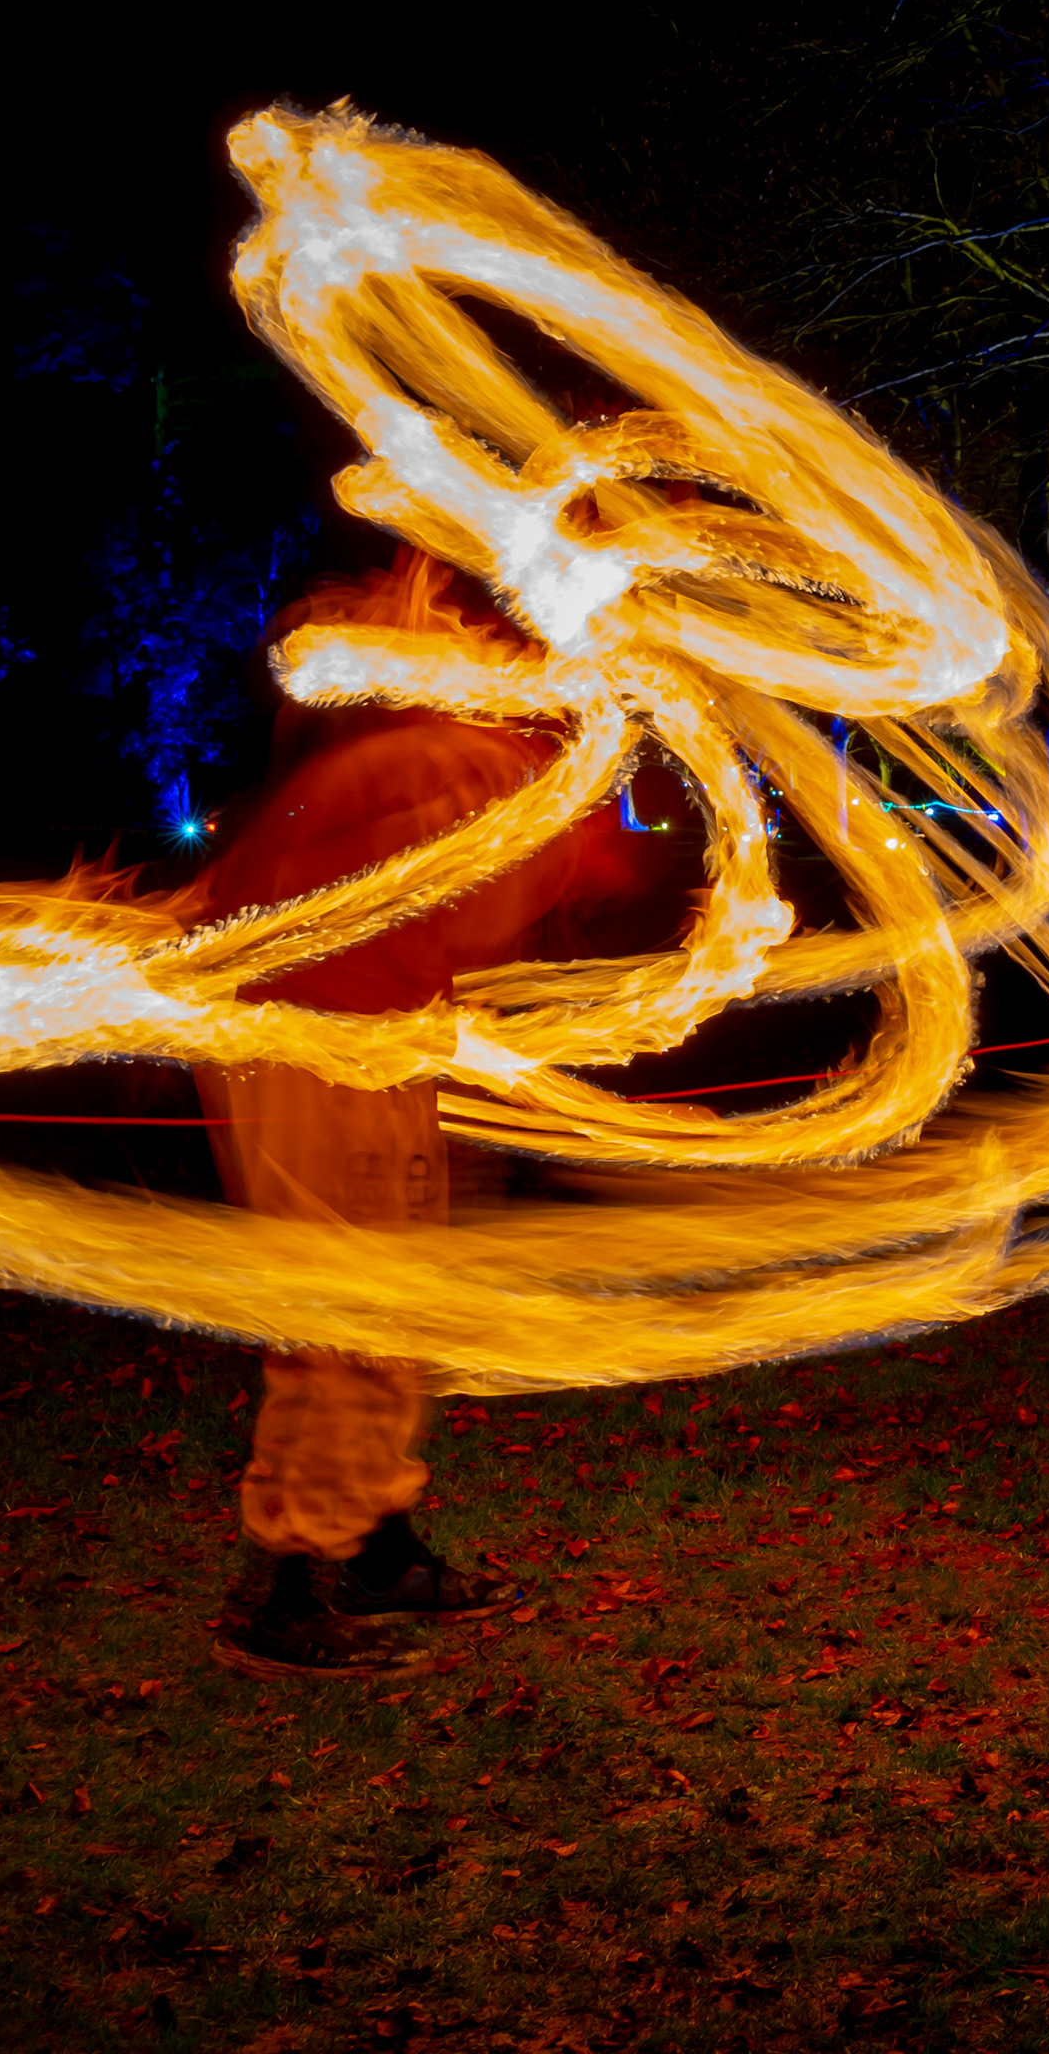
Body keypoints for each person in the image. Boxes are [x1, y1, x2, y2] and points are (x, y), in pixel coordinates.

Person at [186, 551, 656, 1678]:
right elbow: (364, 896)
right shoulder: (444, 757)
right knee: (343, 1318)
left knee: (395, 1312)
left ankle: (377, 1546)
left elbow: (445, 916)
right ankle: (284, 1588)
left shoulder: (480, 761)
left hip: (376, 1042)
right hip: (303, 1048)